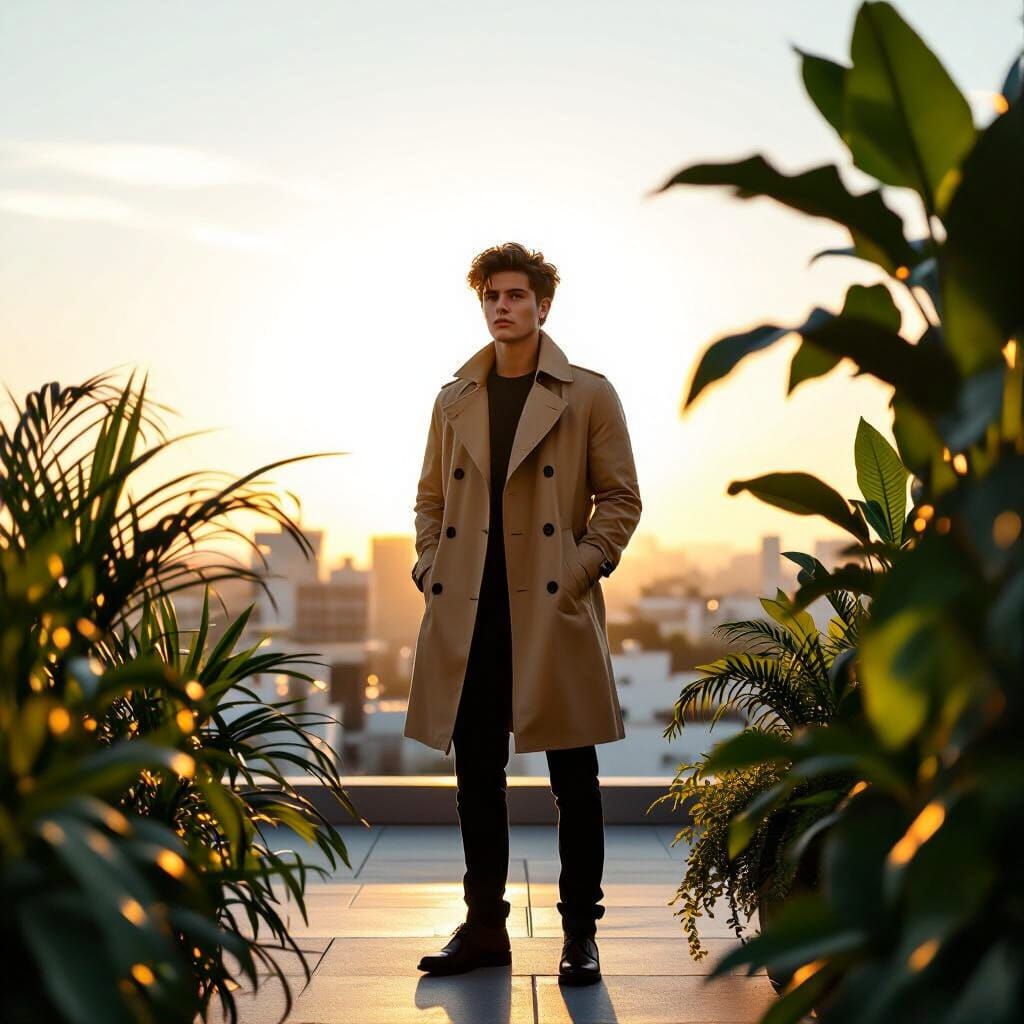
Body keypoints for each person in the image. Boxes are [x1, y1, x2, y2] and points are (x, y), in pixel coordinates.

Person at [406, 242, 642, 986]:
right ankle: (484, 928)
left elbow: (621, 499)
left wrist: (579, 570)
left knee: (575, 777)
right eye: (491, 296)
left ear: (543, 305)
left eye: (515, 295)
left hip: (549, 608)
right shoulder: (454, 398)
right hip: (469, 609)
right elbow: (429, 499)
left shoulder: (588, 394)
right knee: (477, 772)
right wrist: (426, 564)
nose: (502, 307)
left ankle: (580, 934)